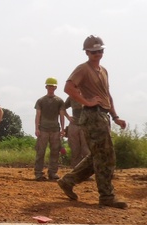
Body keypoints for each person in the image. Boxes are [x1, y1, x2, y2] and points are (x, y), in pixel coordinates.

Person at [57, 35, 128, 209]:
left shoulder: (103, 71)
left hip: (103, 115)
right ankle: (106, 196)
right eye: (94, 51)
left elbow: (107, 95)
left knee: (98, 155)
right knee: (105, 157)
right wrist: (87, 102)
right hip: (92, 115)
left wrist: (115, 116)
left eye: (100, 50)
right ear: (87, 52)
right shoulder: (83, 69)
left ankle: (68, 181)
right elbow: (68, 88)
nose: (98, 53)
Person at [34, 77, 65, 181]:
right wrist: (36, 128)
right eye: (49, 86)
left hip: (55, 129)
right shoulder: (41, 101)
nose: (51, 88)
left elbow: (61, 115)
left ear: (55, 87)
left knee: (55, 152)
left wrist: (62, 129)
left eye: (53, 86)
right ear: (46, 87)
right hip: (43, 129)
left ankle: (52, 173)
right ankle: (38, 173)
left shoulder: (60, 101)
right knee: (40, 152)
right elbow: (38, 115)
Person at [64, 96, 90, 168]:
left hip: (85, 125)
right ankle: (75, 172)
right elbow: (62, 108)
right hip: (74, 124)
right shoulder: (71, 97)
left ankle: (86, 172)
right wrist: (68, 117)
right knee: (75, 150)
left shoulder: (89, 95)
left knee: (86, 150)